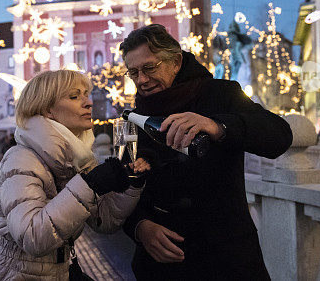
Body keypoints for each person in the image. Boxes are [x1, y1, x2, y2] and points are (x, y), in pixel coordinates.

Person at [118, 24, 293, 280]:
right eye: (133, 72)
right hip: (164, 262)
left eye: (149, 68)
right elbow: (122, 186)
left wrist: (218, 126)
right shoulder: (132, 117)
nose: (141, 80)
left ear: (176, 62)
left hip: (226, 257)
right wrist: (140, 227)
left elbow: (279, 136)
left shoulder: (221, 94)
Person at [0, 70, 151, 280]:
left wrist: (131, 184)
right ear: (48, 110)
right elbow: (33, 236)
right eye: (75, 97)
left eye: (86, 94)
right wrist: (90, 185)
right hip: (12, 273)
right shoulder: (22, 158)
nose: (89, 103)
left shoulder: (77, 157)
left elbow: (105, 220)